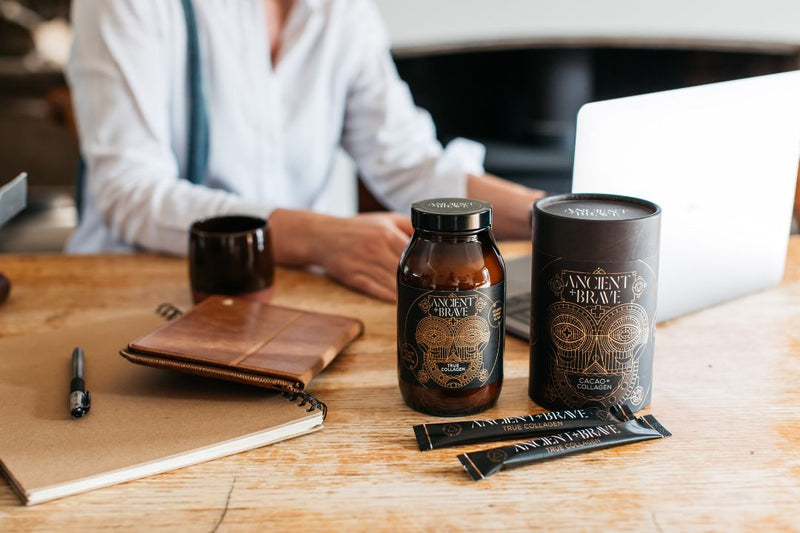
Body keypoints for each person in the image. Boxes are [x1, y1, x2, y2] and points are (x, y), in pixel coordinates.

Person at [66, 0, 544, 301]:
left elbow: (408, 165)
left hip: (289, 293)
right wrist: (322, 238)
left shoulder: (342, 13)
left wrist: (554, 218)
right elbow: (128, 191)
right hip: (135, 291)